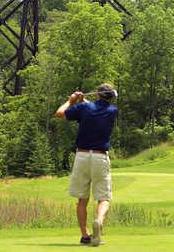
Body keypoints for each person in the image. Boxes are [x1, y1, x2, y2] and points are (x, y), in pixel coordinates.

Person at [55, 83, 118, 246]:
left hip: (82, 156)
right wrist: (84, 101)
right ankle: (98, 220)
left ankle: (85, 235)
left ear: (98, 94)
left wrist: (71, 100)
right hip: (100, 157)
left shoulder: (85, 108)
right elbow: (94, 109)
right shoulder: (113, 111)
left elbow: (60, 113)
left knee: (82, 199)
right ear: (110, 97)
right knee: (104, 199)